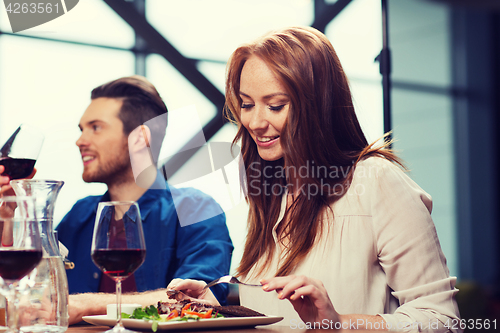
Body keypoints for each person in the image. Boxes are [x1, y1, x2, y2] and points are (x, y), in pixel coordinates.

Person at [167, 27, 462, 332]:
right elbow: (281, 313)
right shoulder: (272, 190)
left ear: (318, 106)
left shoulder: (377, 181)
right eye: (247, 104)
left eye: (276, 105)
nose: (255, 123)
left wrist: (337, 324)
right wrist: (218, 306)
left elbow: (443, 320)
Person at [54, 76, 233, 321]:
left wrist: (84, 305)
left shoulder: (196, 209)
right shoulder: (79, 215)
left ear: (140, 137)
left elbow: (198, 299)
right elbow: (31, 285)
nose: (80, 141)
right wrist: (9, 217)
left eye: (95, 127)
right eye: (81, 129)